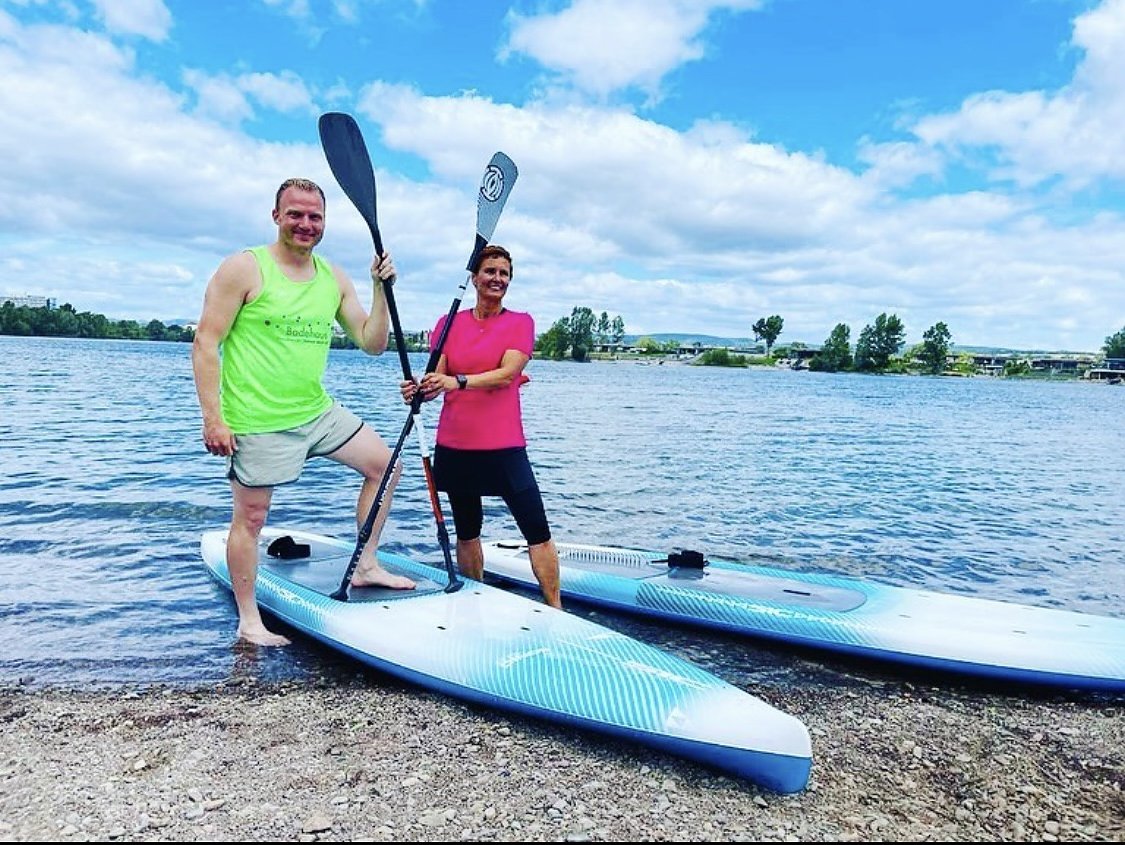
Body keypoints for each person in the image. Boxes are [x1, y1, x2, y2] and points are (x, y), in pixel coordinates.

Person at [192, 177, 414, 647]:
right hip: (257, 419)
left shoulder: (333, 277)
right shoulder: (244, 268)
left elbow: (372, 343)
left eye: (315, 216)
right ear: (277, 216)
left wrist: (380, 290)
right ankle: (249, 621)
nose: (305, 224)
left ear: (324, 221)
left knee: (385, 466)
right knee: (251, 519)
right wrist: (213, 419)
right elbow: (206, 342)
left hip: (316, 412)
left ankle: (367, 564)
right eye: (295, 214)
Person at [401, 245, 562, 609]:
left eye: (504, 273)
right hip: (456, 445)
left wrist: (457, 382)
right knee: (467, 530)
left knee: (536, 529)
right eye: (490, 271)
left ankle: (555, 607)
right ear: (474, 278)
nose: (497, 279)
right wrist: (418, 389)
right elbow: (436, 381)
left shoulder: (520, 323)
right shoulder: (448, 323)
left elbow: (507, 374)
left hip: (504, 445)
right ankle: (473, 602)